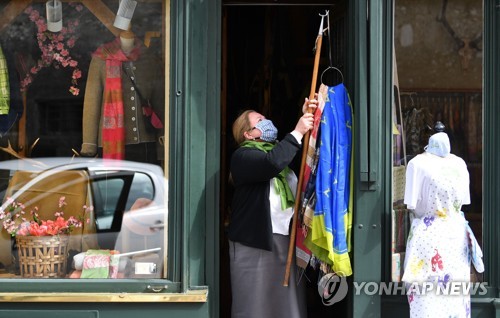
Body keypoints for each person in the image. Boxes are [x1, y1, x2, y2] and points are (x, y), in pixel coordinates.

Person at [228, 97, 317, 318]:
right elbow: (271, 163)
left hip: (285, 240)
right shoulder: (242, 156)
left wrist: (304, 114)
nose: (266, 121)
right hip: (255, 243)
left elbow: (289, 157)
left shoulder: (282, 155)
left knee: (287, 305)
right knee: (254, 304)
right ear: (248, 133)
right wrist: (297, 131)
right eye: (260, 120)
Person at [402, 130, 484, 318]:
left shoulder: (417, 164)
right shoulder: (459, 164)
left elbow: (411, 204)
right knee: (452, 302)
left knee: (427, 303)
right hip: (456, 236)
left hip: (428, 237)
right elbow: (463, 201)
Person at [80, 30, 164, 164]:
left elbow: (159, 101)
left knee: (144, 185)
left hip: (146, 143)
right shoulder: (101, 59)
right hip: (110, 144)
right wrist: (89, 145)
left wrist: (162, 139)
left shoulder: (149, 59)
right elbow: (92, 104)